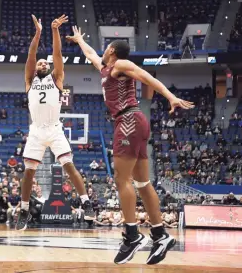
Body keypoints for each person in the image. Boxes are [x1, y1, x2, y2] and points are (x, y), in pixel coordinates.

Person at [67, 26, 194, 265]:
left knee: (121, 179)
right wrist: (81, 41)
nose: (102, 51)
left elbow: (146, 77)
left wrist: (170, 96)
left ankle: (132, 235)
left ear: (113, 51)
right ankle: (160, 235)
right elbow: (92, 55)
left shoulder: (121, 64)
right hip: (134, 122)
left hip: (127, 121)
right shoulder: (106, 68)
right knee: (143, 183)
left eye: (106, 48)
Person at [16, 15, 94, 231]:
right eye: (39, 62)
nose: (41, 63)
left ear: (49, 67)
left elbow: (57, 54)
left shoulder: (57, 78)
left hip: (54, 129)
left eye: (44, 62)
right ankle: (24, 209)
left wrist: (54, 30)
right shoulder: (29, 81)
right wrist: (38, 33)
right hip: (36, 131)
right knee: (29, 171)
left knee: (69, 165)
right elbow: (31, 54)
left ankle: (86, 202)